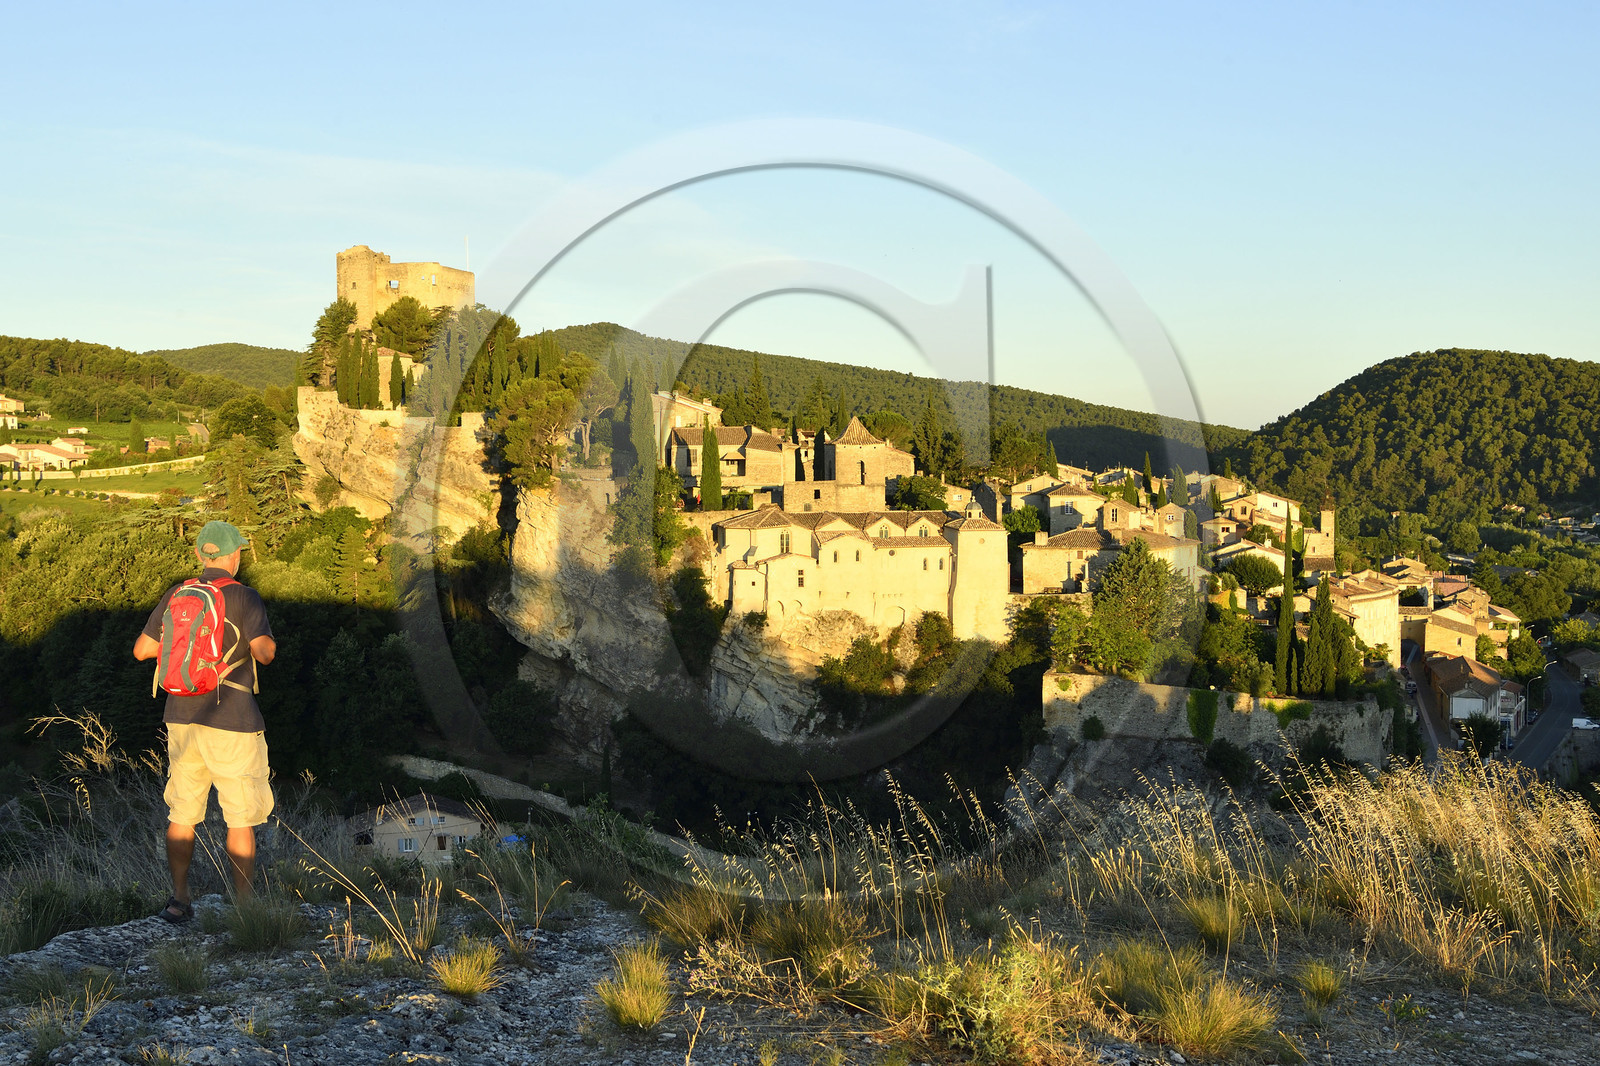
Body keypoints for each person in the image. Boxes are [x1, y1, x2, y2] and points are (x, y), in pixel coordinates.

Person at [133, 520, 276, 923]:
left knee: (182, 812)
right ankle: (244, 909)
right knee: (240, 815)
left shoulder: (178, 594)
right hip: (232, 719)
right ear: (234, 556)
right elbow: (264, 654)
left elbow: (142, 650)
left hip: (181, 718)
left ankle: (179, 899)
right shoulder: (245, 597)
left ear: (199, 554)